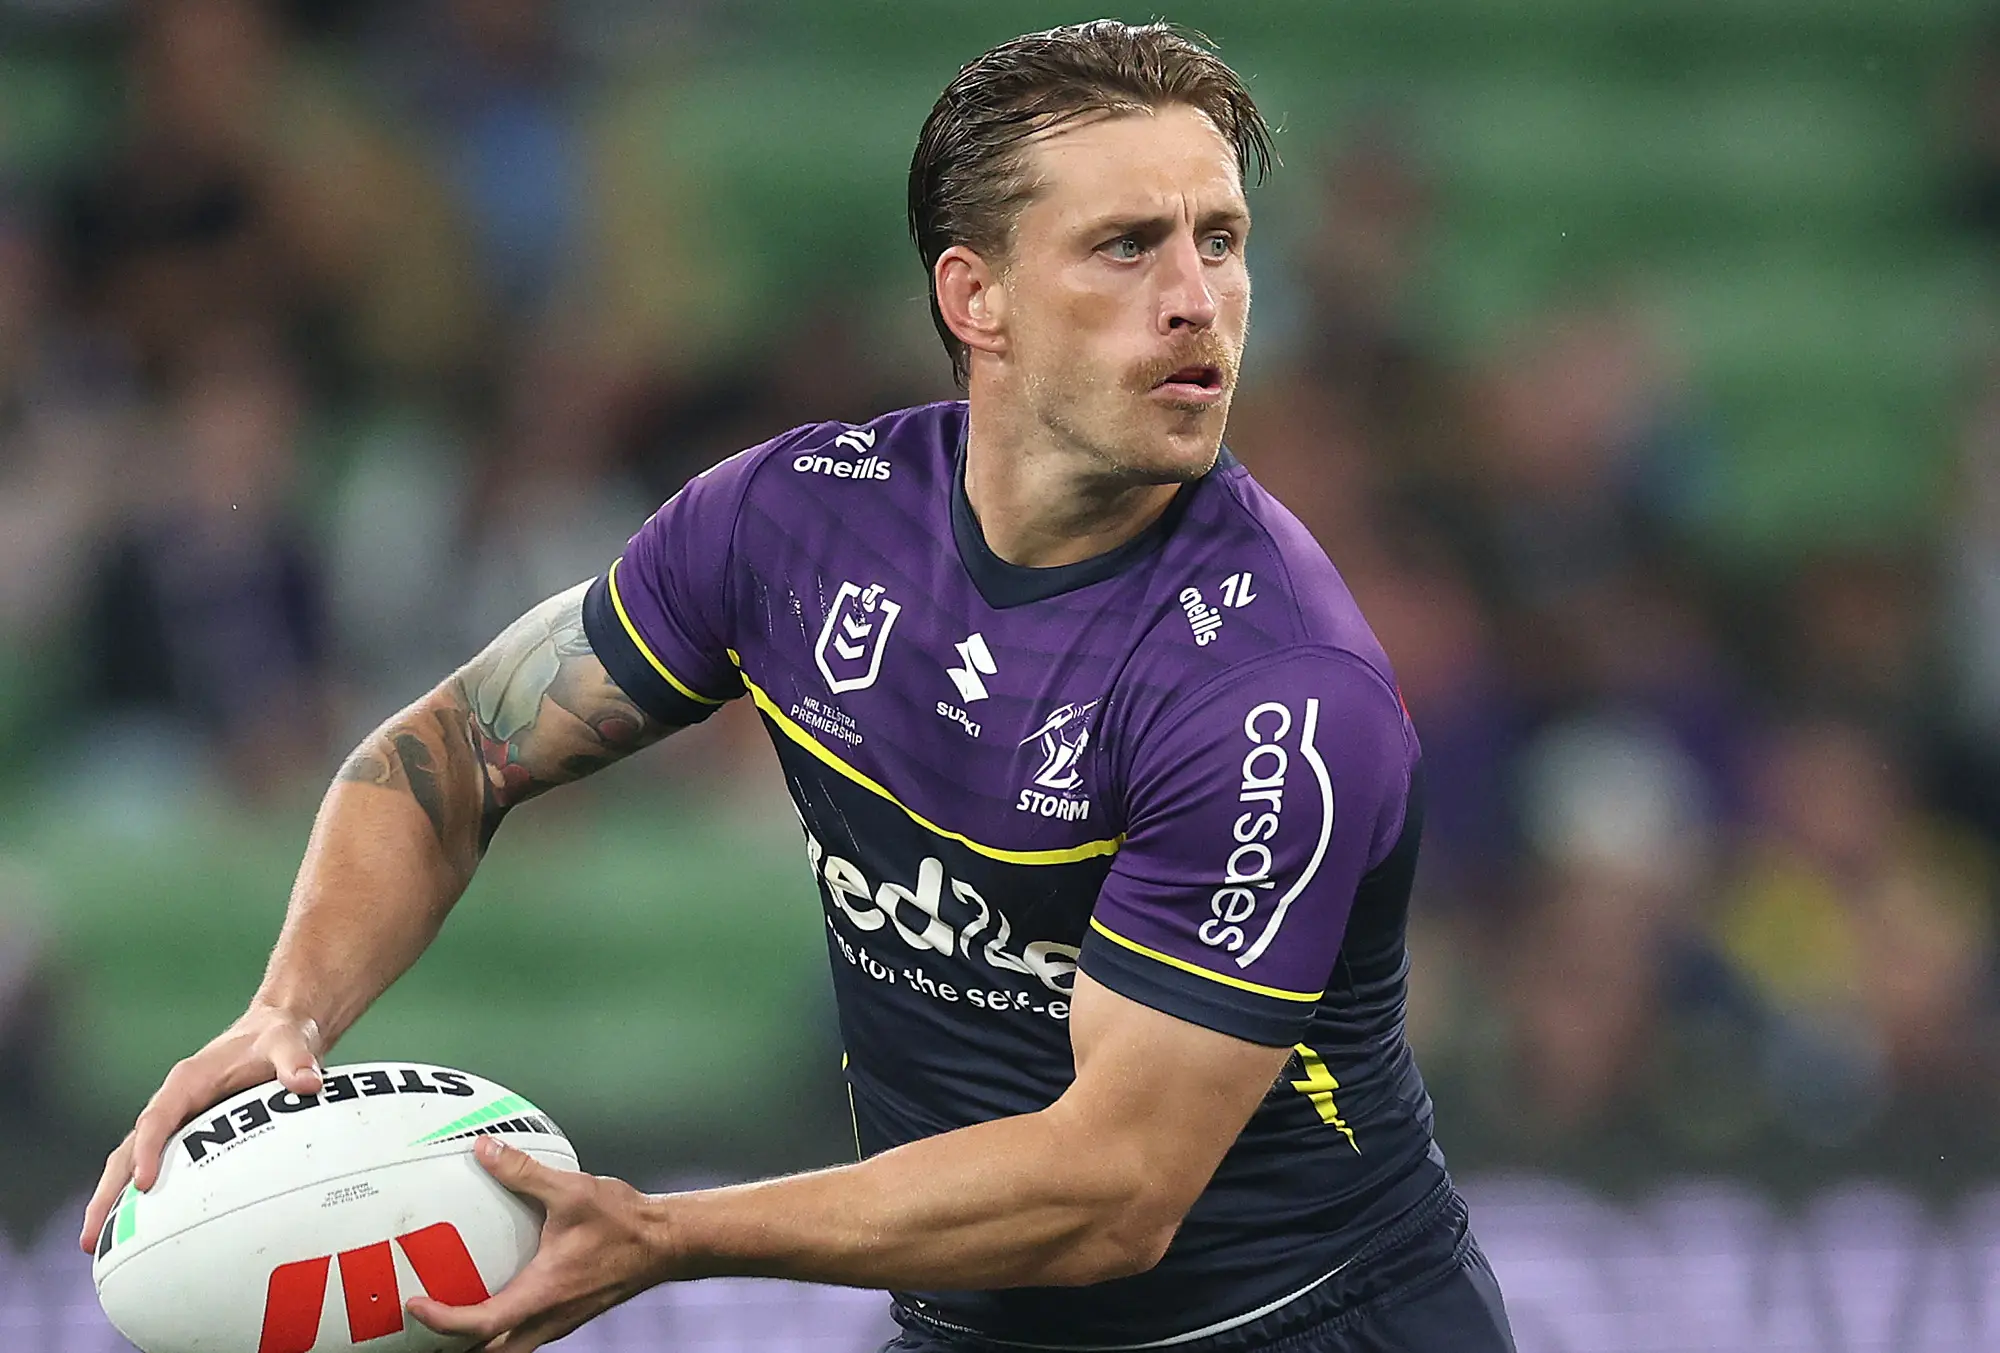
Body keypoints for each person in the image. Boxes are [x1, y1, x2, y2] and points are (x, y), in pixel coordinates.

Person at [80, 21, 1515, 1353]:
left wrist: (671, 1236)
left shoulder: (1272, 691)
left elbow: (1115, 1190)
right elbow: (455, 750)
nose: (1198, 300)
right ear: (978, 296)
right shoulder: (794, 524)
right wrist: (291, 1012)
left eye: (1222, 241)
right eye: (1128, 247)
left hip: (1297, 1324)